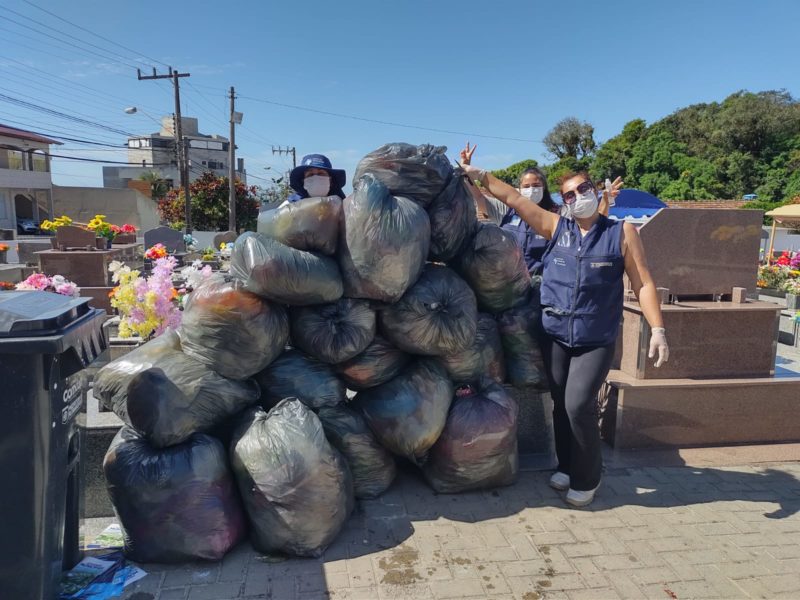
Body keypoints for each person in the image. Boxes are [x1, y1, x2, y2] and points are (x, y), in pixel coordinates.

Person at [459, 161, 669, 507]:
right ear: (565, 202)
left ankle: (589, 476)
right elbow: (513, 198)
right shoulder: (557, 228)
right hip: (555, 333)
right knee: (560, 404)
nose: (577, 197)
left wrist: (657, 328)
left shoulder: (622, 233)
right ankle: (568, 465)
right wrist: (479, 175)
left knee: (578, 404)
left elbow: (643, 281)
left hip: (595, 337)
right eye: (569, 194)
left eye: (583, 189)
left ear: (595, 191)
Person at [460, 143, 560, 276]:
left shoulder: (556, 215)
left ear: (544, 188)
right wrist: (465, 173)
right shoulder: (506, 210)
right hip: (509, 284)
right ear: (519, 189)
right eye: (526, 186)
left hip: (541, 287)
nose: (531, 190)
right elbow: (479, 197)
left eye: (536, 185)